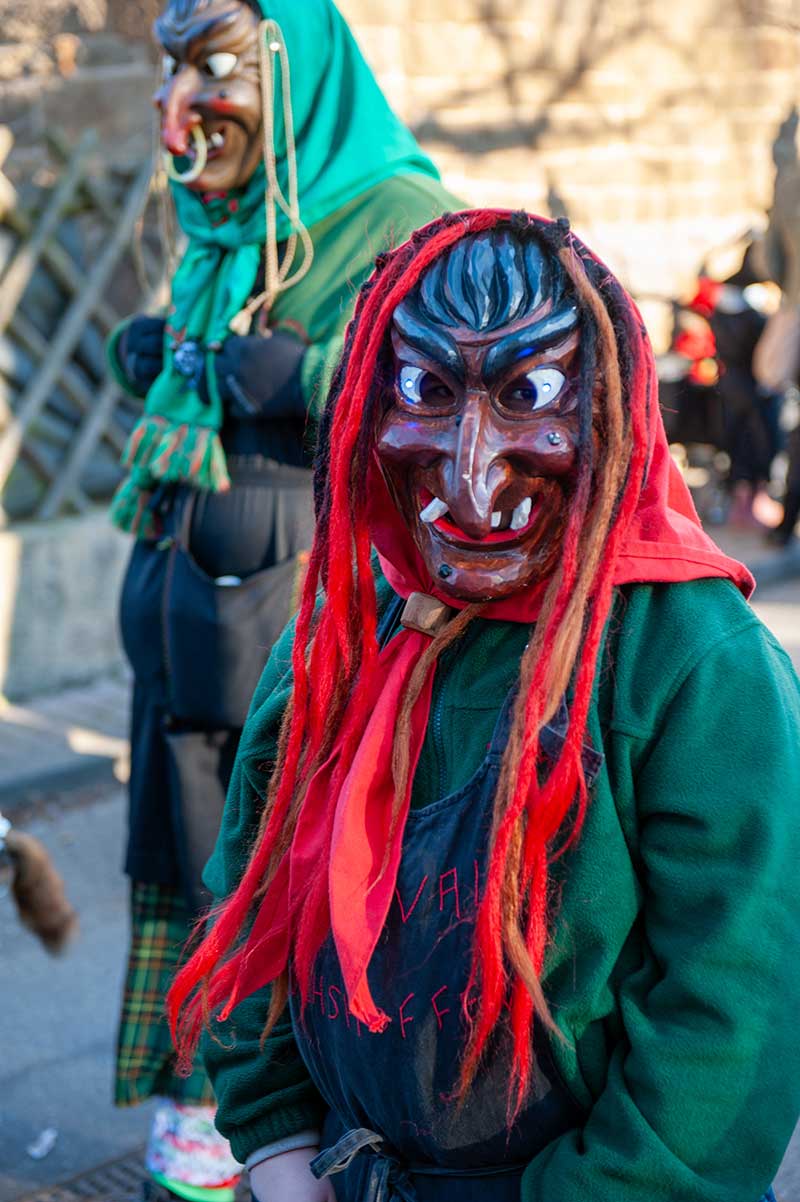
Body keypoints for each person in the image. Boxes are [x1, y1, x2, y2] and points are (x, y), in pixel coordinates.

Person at [169, 211, 800, 1202]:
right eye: (426, 392)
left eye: (530, 396)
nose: (472, 473)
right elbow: (252, 885)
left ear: (612, 408)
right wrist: (277, 1139)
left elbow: (733, 1007)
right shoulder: (348, 626)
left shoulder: (689, 663)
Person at [107, 2, 461, 1198]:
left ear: (293, 69)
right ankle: (195, 1135)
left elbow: (449, 398)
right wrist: (165, 354)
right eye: (168, 75)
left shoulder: (397, 216)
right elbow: (198, 383)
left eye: (212, 71)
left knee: (270, 886)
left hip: (303, 642)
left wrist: (306, 371)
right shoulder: (222, 228)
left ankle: (274, 1145)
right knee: (186, 873)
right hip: (181, 638)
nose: (175, 119)